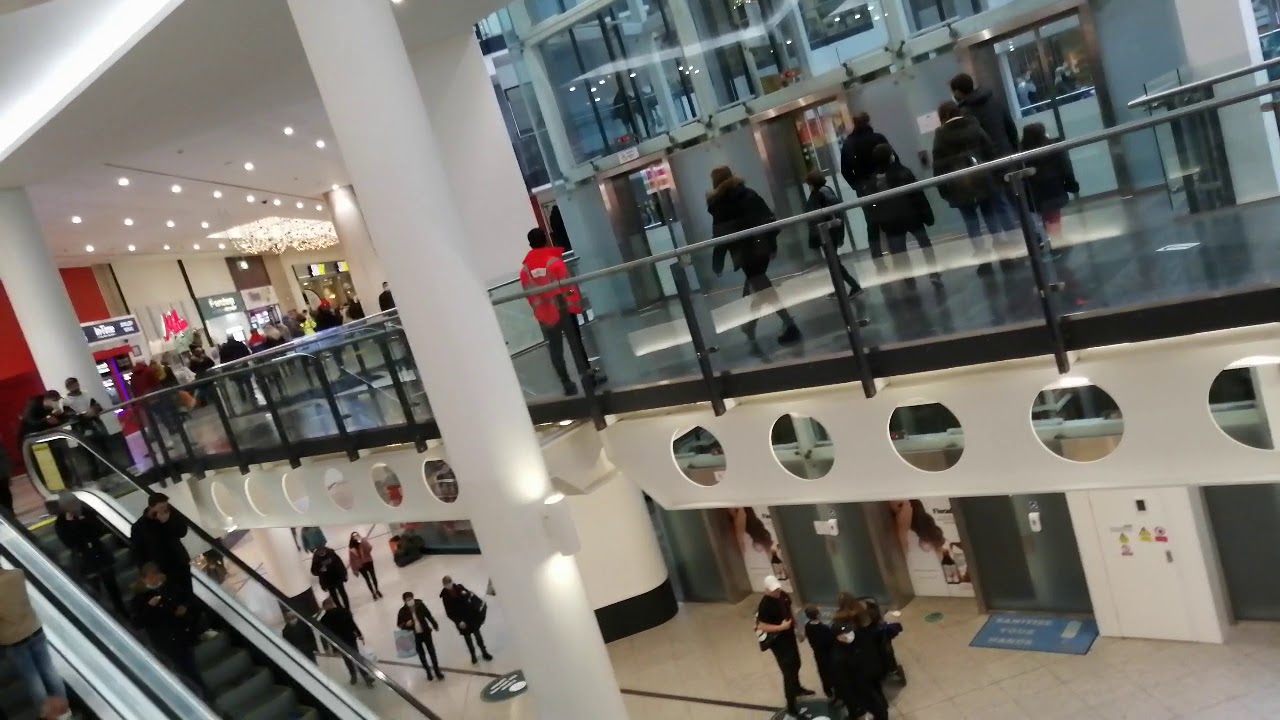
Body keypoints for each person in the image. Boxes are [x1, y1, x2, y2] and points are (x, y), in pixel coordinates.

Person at [706, 166, 801, 347]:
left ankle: (790, 324)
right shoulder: (748, 193)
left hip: (744, 253)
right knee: (758, 285)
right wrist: (772, 244)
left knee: (762, 286)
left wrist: (717, 263)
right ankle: (750, 325)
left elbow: (721, 236)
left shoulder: (719, 204)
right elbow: (768, 219)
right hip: (761, 247)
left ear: (715, 183)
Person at [932, 100, 1008, 275]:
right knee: (991, 217)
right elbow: (990, 151)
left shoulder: (941, 136)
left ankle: (983, 259)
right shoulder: (974, 126)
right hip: (983, 179)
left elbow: (938, 165)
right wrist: (996, 175)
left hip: (959, 184)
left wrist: (943, 189)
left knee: (971, 222)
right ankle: (1004, 252)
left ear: (942, 117)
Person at [950, 72, 1020, 232]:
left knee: (998, 206)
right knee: (1018, 201)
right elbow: (1011, 130)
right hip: (1007, 158)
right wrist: (1013, 152)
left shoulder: (965, 114)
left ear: (958, 91)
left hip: (985, 166)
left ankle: (1012, 241)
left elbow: (968, 144)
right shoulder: (995, 102)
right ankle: (1034, 236)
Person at [865, 144, 942, 288]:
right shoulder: (904, 172)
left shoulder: (872, 182)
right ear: (890, 157)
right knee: (925, 244)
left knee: (899, 251)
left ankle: (908, 278)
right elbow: (917, 195)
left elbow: (872, 206)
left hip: (891, 222)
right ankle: (934, 272)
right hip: (912, 216)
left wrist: (879, 221)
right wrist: (926, 214)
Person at [520, 227, 584, 396]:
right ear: (546, 240)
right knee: (576, 344)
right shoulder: (554, 263)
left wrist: (540, 309)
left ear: (530, 245)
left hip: (544, 315)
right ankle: (587, 377)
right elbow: (568, 288)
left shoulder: (525, 271)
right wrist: (572, 302)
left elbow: (529, 294)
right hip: (563, 310)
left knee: (555, 350)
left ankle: (567, 384)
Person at [131, 562, 210, 694]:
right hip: (165, 642)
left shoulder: (169, 588)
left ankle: (203, 693)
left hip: (181, 634)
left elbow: (187, 601)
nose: (155, 579)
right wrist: (150, 607)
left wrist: (184, 609)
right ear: (144, 579)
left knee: (191, 666)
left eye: (156, 575)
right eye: (151, 577)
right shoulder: (139, 599)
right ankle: (198, 694)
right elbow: (138, 623)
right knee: (182, 670)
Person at [0, 568, 68, 717]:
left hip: (14, 640)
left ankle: (50, 715)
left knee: (32, 679)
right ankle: (64, 711)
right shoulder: (17, 574)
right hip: (35, 630)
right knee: (49, 670)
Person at [55, 493, 127, 616]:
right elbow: (70, 542)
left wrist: (83, 521)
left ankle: (122, 612)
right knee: (95, 589)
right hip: (84, 558)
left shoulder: (86, 512)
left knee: (112, 586)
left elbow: (99, 529)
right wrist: (73, 524)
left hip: (99, 552)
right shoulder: (61, 523)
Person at [840, 112, 894, 264]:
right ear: (868, 121)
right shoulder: (878, 138)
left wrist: (856, 185)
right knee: (891, 218)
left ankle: (877, 256)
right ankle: (896, 250)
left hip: (864, 188)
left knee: (872, 222)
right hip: (884, 183)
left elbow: (845, 170)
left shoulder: (849, 144)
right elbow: (893, 157)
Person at [756, 575, 811, 719]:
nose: (777, 592)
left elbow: (790, 610)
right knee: (788, 671)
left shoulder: (783, 595)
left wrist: (798, 628)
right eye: (774, 590)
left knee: (797, 663)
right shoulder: (764, 605)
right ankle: (791, 705)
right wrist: (781, 627)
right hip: (778, 642)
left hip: (789, 636)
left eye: (778, 589)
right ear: (766, 590)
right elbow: (762, 626)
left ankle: (797, 688)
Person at [1021, 122, 1079, 251]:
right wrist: (1070, 181)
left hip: (1035, 190)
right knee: (1054, 215)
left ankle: (1053, 238)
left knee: (1045, 216)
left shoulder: (1023, 154)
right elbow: (1066, 166)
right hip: (1055, 186)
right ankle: (1057, 240)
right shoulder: (1053, 148)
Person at [830, 593, 888, 720]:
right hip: (871, 665)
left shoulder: (841, 625)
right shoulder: (865, 616)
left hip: (861, 677)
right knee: (877, 694)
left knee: (873, 697)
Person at [803, 170, 861, 297]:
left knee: (834, 262)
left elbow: (833, 210)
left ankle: (853, 286)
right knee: (833, 262)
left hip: (828, 232)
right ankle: (842, 288)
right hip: (828, 232)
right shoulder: (821, 192)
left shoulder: (821, 192)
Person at [130, 492, 193, 596]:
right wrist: (146, 570)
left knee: (187, 592)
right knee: (170, 595)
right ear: (151, 507)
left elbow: (182, 532)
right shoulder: (139, 527)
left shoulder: (171, 514)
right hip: (160, 568)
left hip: (179, 561)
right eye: (160, 507)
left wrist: (168, 521)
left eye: (166, 506)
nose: (164, 509)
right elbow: (137, 549)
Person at [317, 597, 374, 686]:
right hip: (350, 638)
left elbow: (324, 635)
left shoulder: (324, 620)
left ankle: (353, 675)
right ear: (333, 604)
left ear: (325, 607)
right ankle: (366, 676)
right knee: (356, 656)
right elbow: (352, 624)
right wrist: (359, 634)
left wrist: (326, 647)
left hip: (338, 642)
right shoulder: (343, 611)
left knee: (347, 659)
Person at [440, 576, 493, 664]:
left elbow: (469, 595)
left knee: (478, 635)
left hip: (471, 616)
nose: (448, 585)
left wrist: (466, 594)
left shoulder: (460, 587)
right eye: (446, 584)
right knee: (468, 639)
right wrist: (458, 621)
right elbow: (449, 613)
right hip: (461, 621)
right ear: (444, 585)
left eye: (449, 582)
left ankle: (484, 652)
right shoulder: (445, 597)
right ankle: (473, 655)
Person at [397, 591, 444, 680]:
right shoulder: (402, 611)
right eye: (408, 600)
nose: (410, 601)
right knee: (421, 654)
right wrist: (406, 625)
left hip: (425, 632)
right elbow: (399, 624)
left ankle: (437, 671)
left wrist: (434, 624)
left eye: (411, 599)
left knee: (432, 652)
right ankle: (428, 672)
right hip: (414, 636)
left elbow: (428, 615)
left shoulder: (420, 605)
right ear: (404, 601)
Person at [803, 604, 837, 701]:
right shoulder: (824, 628)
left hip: (817, 653)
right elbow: (830, 640)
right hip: (828, 653)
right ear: (818, 615)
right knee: (831, 670)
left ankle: (827, 689)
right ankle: (835, 687)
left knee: (822, 671)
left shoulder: (807, 626)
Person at [311, 545, 350, 610]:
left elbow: (340, 564)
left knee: (342, 593)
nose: (322, 553)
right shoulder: (316, 559)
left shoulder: (331, 554)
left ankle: (347, 608)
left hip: (337, 576)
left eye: (323, 552)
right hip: (327, 580)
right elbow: (313, 571)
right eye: (320, 552)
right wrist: (320, 569)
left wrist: (344, 574)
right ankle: (339, 608)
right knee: (334, 595)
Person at [348, 531, 382, 600]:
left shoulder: (363, 542)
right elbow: (351, 560)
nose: (356, 538)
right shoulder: (351, 548)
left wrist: (363, 541)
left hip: (368, 562)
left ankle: (376, 589)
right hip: (360, 565)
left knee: (373, 576)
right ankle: (373, 593)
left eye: (357, 536)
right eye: (354, 537)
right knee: (367, 579)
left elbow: (369, 549)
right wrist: (354, 569)